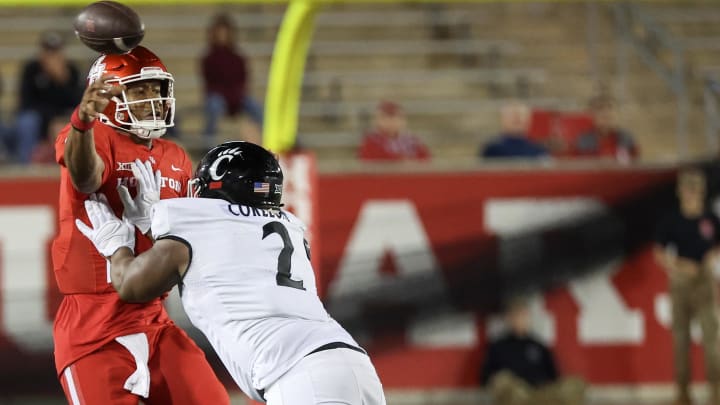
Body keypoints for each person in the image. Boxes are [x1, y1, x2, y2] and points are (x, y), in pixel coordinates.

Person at [75, 141, 387, 405]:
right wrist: (154, 226)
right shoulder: (291, 226)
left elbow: (131, 286)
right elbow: (225, 254)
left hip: (299, 374)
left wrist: (116, 245)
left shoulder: (195, 223)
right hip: (355, 365)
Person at [51, 46, 229, 404]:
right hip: (93, 327)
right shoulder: (92, 137)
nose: (153, 99)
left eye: (157, 89)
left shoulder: (176, 157)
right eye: (139, 89)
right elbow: (86, 178)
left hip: (154, 320)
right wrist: (83, 122)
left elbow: (191, 245)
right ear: (111, 96)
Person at [655, 168, 720, 405]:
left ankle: (716, 390)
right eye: (687, 189)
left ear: (701, 192)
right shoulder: (672, 220)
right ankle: (683, 394)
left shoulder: (710, 219)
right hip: (681, 284)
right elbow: (659, 253)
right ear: (680, 192)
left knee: (712, 342)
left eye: (695, 189)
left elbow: (717, 245)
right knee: (680, 344)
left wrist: (713, 256)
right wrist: (679, 265)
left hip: (704, 283)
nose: (691, 194)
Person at [480, 297, 586, 405]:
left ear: (528, 317)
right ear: (508, 318)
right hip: (515, 396)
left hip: (541, 393)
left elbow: (555, 376)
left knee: (575, 384)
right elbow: (485, 377)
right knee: (503, 381)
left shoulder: (539, 346)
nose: (519, 319)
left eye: (522, 315)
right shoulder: (498, 347)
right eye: (515, 315)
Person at [12, 30, 83, 164]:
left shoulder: (72, 70)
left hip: (62, 115)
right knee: (27, 122)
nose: (52, 56)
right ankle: (25, 165)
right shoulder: (31, 69)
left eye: (55, 52)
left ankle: (71, 166)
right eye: (48, 51)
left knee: (75, 123)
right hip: (39, 116)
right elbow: (26, 102)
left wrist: (62, 80)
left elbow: (76, 102)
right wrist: (50, 118)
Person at [201, 14, 263, 147]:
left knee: (257, 108)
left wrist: (236, 97)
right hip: (219, 97)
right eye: (219, 33)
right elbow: (211, 84)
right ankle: (207, 143)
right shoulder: (208, 58)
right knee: (214, 105)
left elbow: (243, 80)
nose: (222, 36)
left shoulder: (238, 57)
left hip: (237, 97)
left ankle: (268, 140)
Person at [574, 94, 638, 163]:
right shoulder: (583, 140)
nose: (606, 113)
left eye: (610, 107)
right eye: (600, 108)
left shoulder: (626, 138)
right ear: (591, 114)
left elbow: (635, 164)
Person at [357, 100, 430, 161]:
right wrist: (402, 161)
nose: (390, 122)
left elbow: (426, 159)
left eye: (395, 117)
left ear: (403, 121)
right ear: (377, 120)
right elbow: (373, 163)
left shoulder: (412, 141)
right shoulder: (371, 141)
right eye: (385, 118)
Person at [480, 101, 549, 159]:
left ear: (529, 120)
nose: (517, 118)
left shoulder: (539, 151)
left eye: (521, 114)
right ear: (502, 119)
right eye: (512, 114)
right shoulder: (492, 150)